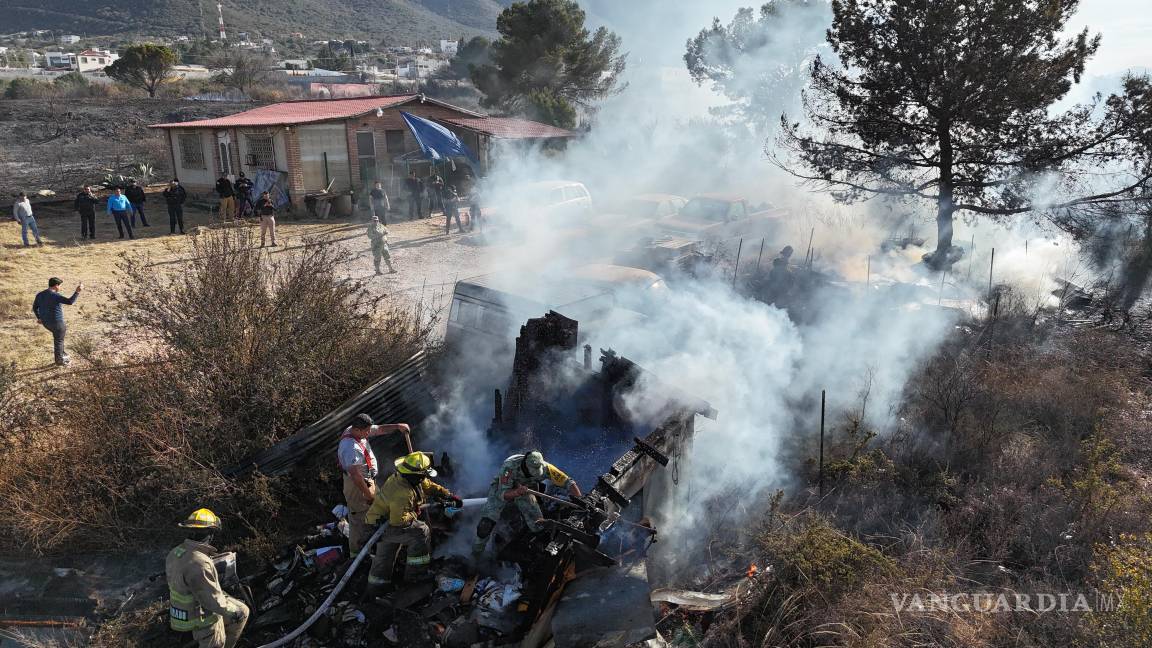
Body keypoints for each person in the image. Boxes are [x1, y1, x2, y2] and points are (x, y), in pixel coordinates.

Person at [364, 452, 461, 595]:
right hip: (385, 526)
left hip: (380, 522)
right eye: (424, 474)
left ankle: (376, 588)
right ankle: (415, 577)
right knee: (421, 531)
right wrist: (414, 511)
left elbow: (428, 486)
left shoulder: (408, 478)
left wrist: (447, 495)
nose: (425, 477)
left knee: (385, 555)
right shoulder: (403, 493)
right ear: (418, 475)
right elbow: (399, 520)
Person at [165, 508, 249, 648]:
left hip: (179, 611)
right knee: (238, 615)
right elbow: (213, 601)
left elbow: (188, 574)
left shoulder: (176, 552)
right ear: (211, 534)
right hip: (200, 618)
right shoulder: (200, 564)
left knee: (243, 609)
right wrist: (234, 613)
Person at [473, 451, 582, 556]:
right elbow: (504, 494)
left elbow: (568, 482)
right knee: (485, 526)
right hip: (502, 488)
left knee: (538, 525)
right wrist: (516, 492)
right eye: (533, 471)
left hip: (526, 489)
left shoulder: (545, 468)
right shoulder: (509, 468)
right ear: (525, 466)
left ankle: (538, 551)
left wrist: (580, 500)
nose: (536, 472)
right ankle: (476, 553)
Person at [337, 414, 411, 555]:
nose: (369, 433)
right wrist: (368, 495)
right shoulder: (349, 447)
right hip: (357, 486)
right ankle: (357, 554)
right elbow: (356, 476)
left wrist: (397, 426)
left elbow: (380, 430)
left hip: (367, 481)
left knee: (377, 511)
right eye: (366, 431)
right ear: (357, 430)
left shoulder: (358, 432)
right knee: (359, 519)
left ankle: (375, 543)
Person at [33, 277, 81, 366]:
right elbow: (70, 301)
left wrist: (39, 317)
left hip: (46, 323)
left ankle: (62, 354)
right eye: (60, 286)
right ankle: (59, 361)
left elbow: (34, 307)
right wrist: (77, 291)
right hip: (57, 323)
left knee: (58, 339)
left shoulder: (40, 295)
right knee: (59, 340)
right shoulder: (55, 295)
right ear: (56, 286)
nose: (60, 288)